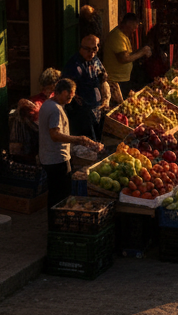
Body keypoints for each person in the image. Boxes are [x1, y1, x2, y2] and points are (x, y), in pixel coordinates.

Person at [39, 78, 103, 209]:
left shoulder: (47, 104)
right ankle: (55, 221)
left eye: (73, 93)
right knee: (61, 195)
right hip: (57, 159)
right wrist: (79, 139)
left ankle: (52, 220)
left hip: (47, 157)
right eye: (69, 93)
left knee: (54, 193)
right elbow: (55, 135)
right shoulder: (55, 109)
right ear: (61, 92)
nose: (71, 97)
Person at [63, 33, 110, 139]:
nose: (91, 53)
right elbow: (68, 88)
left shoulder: (96, 60)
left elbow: (103, 79)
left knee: (99, 138)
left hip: (98, 108)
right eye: (88, 49)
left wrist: (106, 99)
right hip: (82, 113)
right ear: (81, 48)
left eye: (94, 49)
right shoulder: (74, 65)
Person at [11, 68, 61, 161]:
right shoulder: (38, 99)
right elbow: (36, 111)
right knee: (20, 115)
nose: (46, 90)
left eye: (49, 87)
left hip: (51, 132)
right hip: (38, 133)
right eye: (44, 87)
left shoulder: (59, 98)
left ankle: (19, 152)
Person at [101, 12, 150, 103]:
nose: (134, 30)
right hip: (116, 80)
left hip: (123, 79)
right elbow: (123, 59)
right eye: (134, 27)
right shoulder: (117, 36)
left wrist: (141, 50)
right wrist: (142, 53)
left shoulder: (123, 35)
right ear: (128, 24)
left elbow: (128, 54)